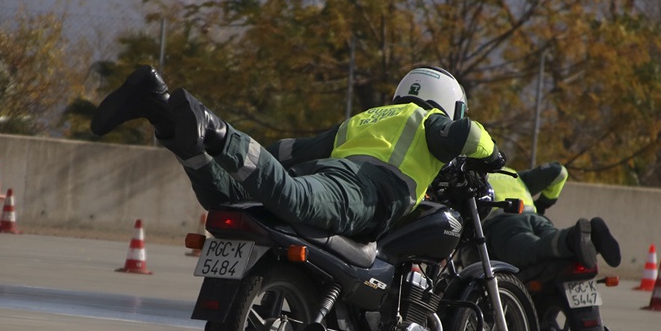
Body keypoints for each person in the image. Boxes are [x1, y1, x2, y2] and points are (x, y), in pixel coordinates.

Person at [90, 64, 505, 241]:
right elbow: (466, 133)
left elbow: (291, 150)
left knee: (229, 198)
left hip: (329, 168)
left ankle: (159, 107)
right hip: (369, 190)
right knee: (297, 201)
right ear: (448, 102)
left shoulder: (367, 118)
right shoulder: (430, 122)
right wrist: (493, 155)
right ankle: (212, 127)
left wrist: (248, 162)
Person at [484, 162, 622, 269]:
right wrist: (544, 203)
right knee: (552, 239)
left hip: (503, 224)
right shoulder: (511, 174)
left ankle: (571, 237)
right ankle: (594, 239)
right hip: (535, 217)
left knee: (530, 250)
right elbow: (559, 171)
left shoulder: (474, 179)